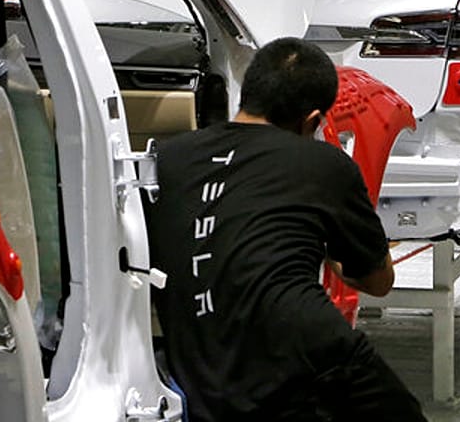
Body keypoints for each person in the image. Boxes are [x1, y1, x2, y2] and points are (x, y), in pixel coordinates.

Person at [145, 37, 426, 422]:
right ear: (312, 120)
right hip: (308, 350)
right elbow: (378, 281)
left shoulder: (166, 159)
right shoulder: (323, 163)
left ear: (249, 93)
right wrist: (330, 248)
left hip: (202, 368)